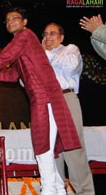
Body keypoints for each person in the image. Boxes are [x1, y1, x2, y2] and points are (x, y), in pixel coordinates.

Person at [0, 7, 81, 195]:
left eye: (15, 18)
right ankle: (58, 189)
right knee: (43, 146)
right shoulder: (25, 44)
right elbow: (13, 74)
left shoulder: (25, 36)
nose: (10, 22)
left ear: (24, 22)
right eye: (7, 20)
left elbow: (3, 57)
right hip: (42, 99)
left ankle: (48, 189)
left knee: (42, 147)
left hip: (45, 98)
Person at [42, 22, 95, 195]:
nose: (47, 37)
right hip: (45, 102)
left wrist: (44, 54)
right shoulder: (41, 56)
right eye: (45, 34)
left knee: (73, 150)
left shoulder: (70, 49)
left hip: (66, 98)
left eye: (52, 33)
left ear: (61, 37)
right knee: (51, 151)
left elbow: (71, 66)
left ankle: (85, 192)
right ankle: (57, 191)